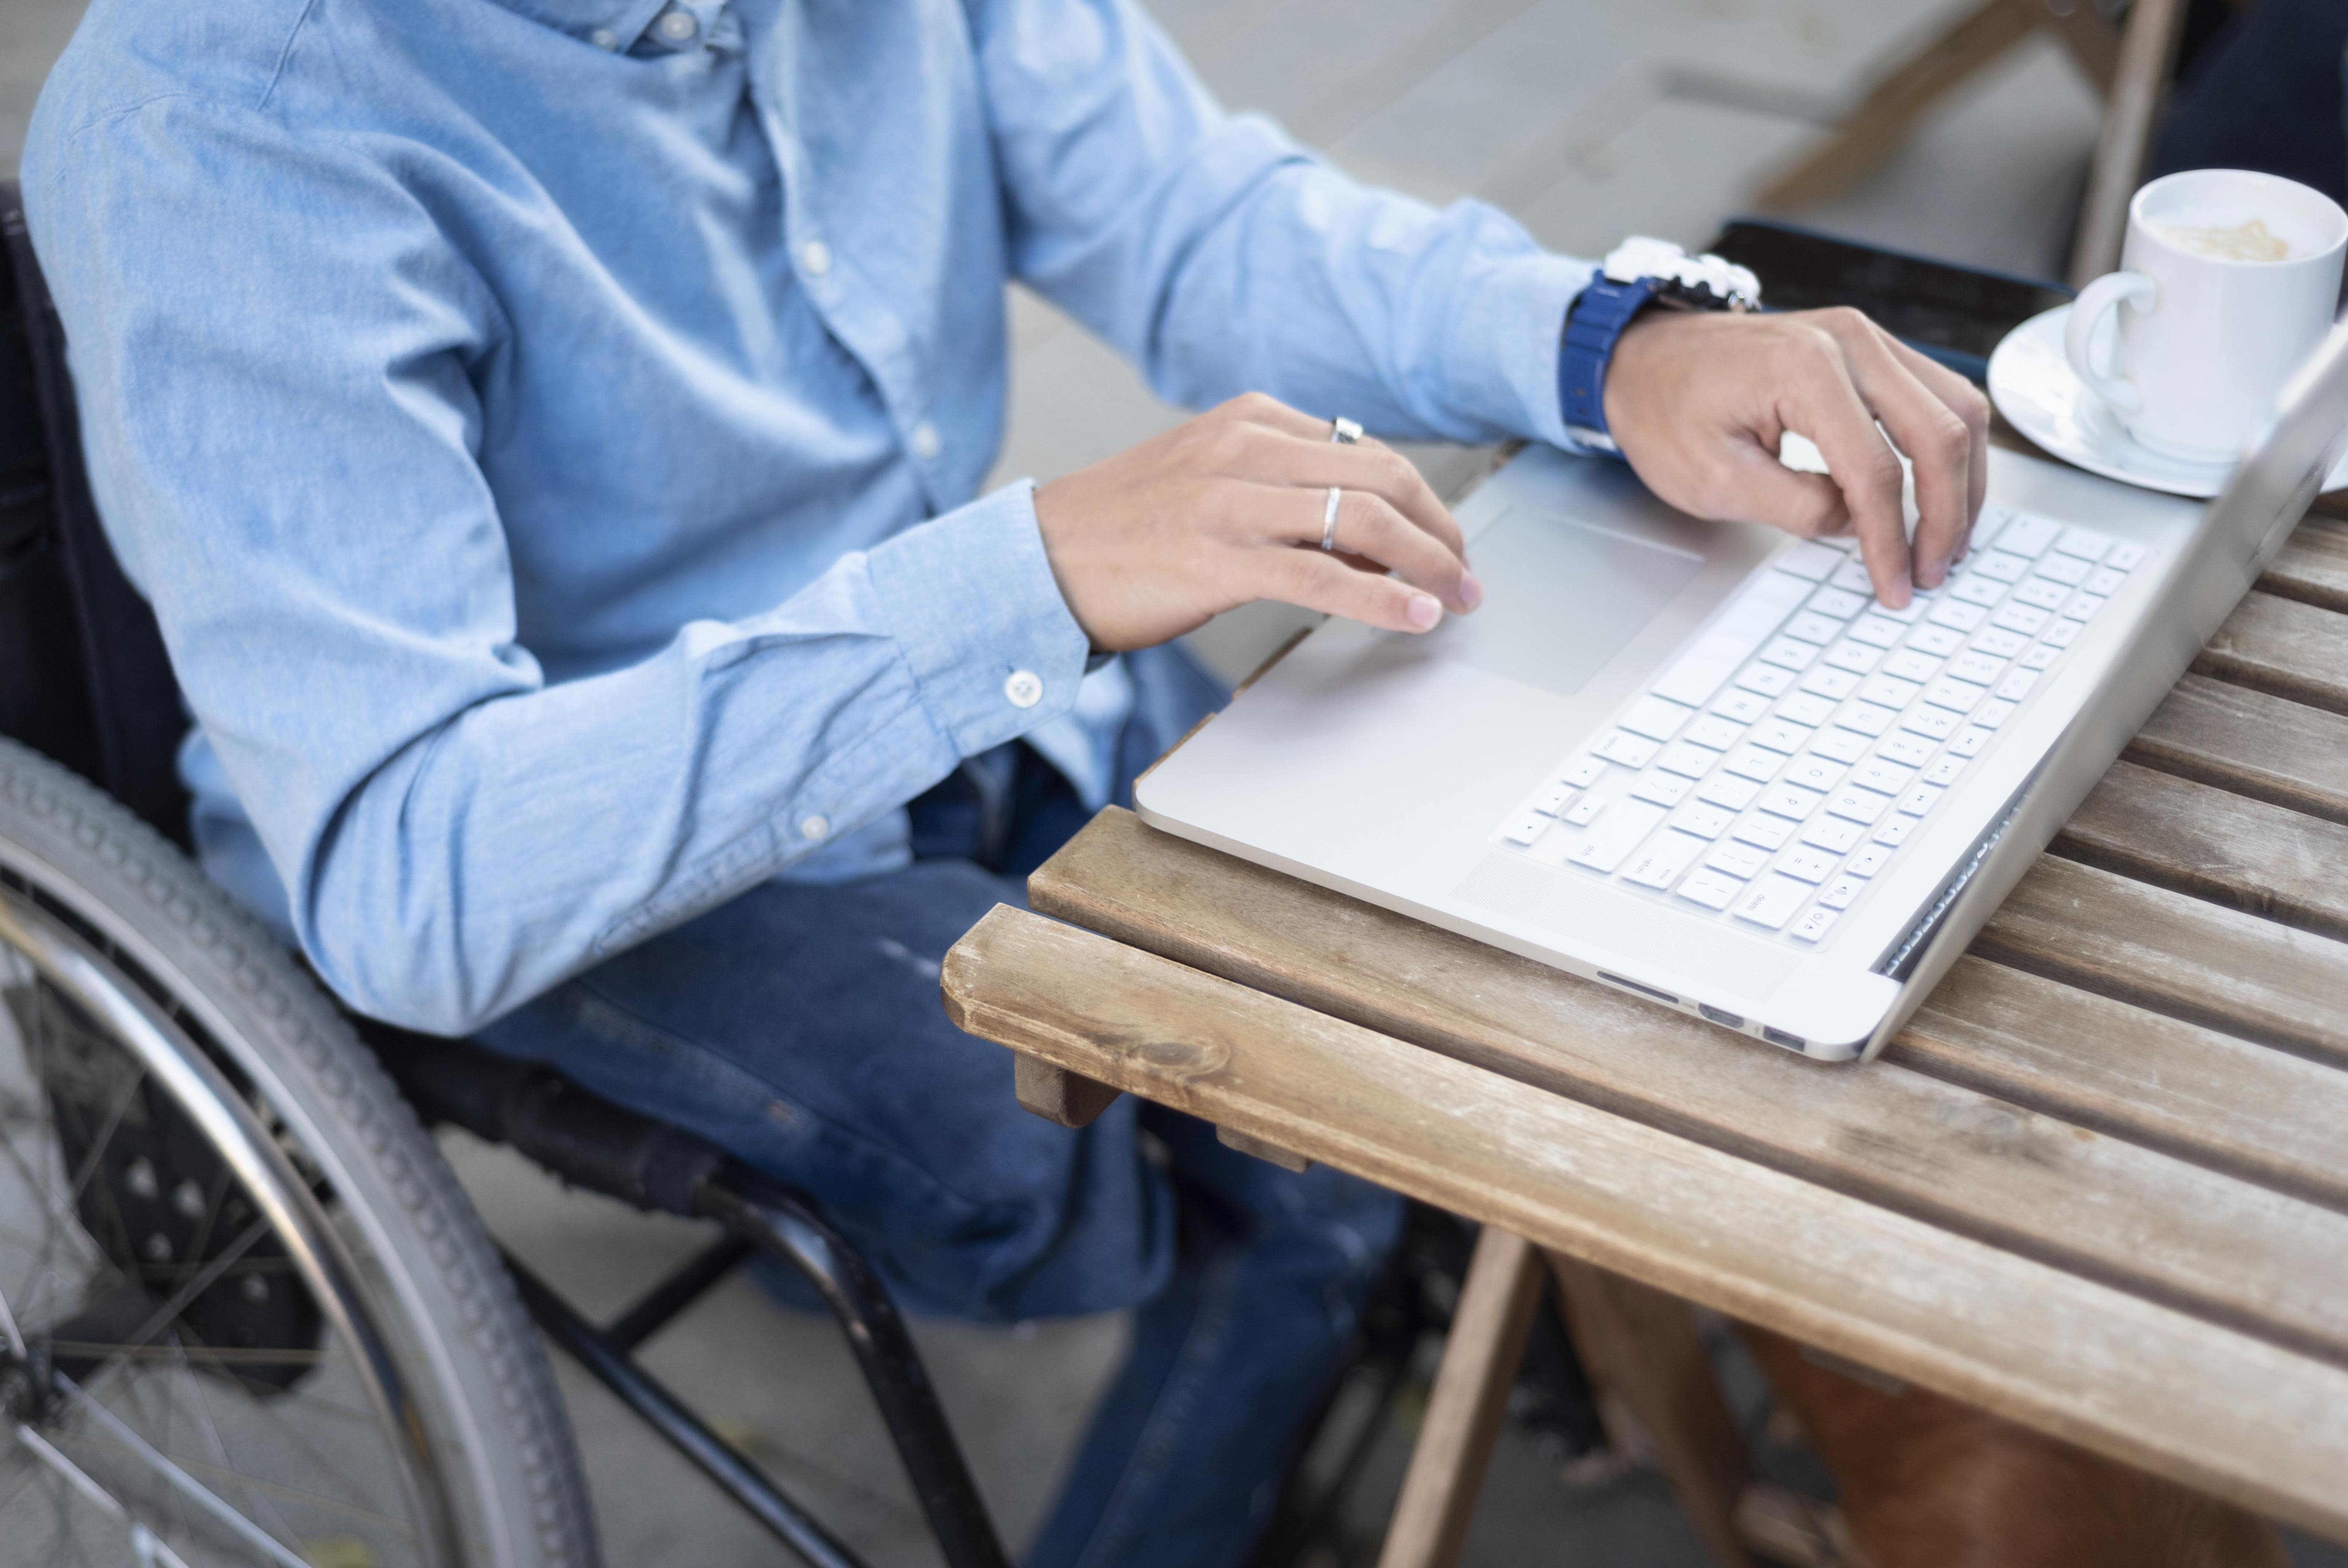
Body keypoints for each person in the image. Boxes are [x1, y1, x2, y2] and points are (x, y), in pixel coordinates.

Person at [21, 1, 1987, 1563]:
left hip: (949, 672)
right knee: (1219, 1153)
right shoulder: (224, 123)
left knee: (1396, 989)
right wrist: (1027, 576)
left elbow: (1191, 217)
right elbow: (414, 862)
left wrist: (1604, 342)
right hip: (552, 834)